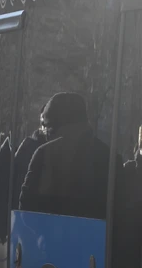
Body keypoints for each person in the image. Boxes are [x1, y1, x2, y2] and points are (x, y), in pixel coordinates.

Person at [19, 92, 110, 220]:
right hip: (94, 238)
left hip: (47, 237)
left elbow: (26, 207)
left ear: (54, 125)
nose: (44, 133)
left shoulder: (44, 154)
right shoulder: (109, 157)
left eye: (46, 127)